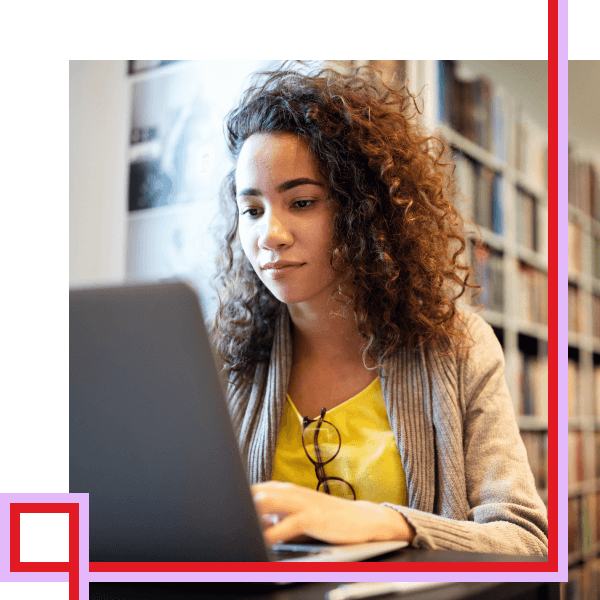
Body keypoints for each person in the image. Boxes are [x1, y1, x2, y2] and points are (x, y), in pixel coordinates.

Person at [210, 60, 548, 556]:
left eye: (301, 202)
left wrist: (385, 524)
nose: (270, 237)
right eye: (253, 210)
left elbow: (526, 542)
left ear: (363, 208)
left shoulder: (460, 345)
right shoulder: (223, 357)